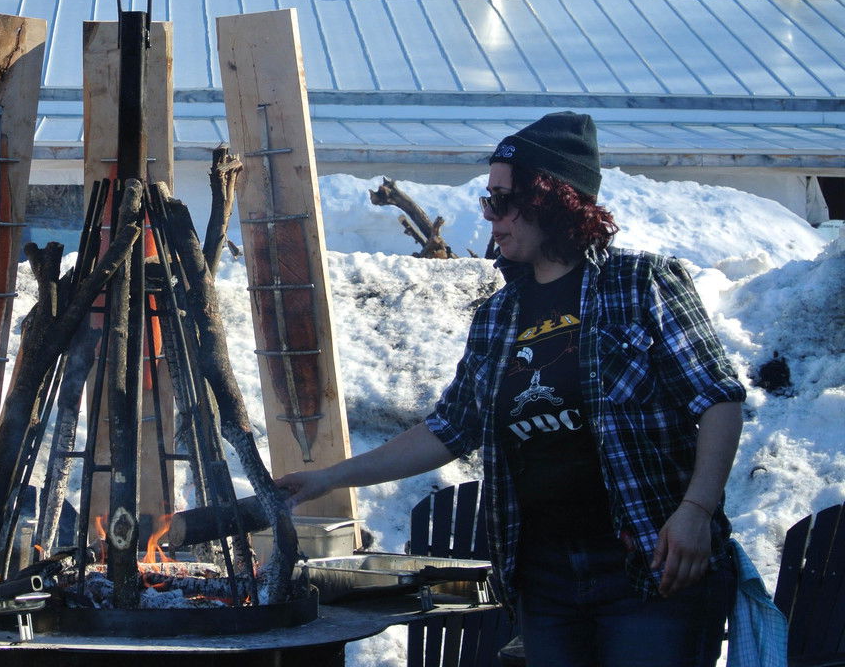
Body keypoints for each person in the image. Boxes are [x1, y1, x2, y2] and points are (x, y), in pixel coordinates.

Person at [276, 112, 745, 667]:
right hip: (543, 579)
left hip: (648, 566)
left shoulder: (642, 284)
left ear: (553, 201)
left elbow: (718, 398)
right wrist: (328, 478)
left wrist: (695, 510)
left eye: (502, 199)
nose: (489, 215)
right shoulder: (499, 316)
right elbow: (449, 430)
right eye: (485, 200)